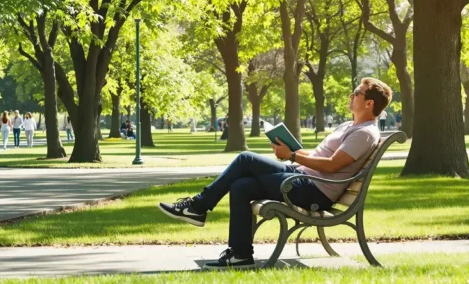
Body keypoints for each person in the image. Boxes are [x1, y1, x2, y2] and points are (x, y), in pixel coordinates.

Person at [158, 77, 391, 270]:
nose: (351, 96)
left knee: (245, 158)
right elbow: (321, 155)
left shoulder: (364, 133)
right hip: (302, 177)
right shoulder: (349, 126)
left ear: (369, 103)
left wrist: (291, 155)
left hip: (314, 190)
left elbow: (331, 165)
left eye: (356, 93)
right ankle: (240, 255)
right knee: (241, 186)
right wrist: (293, 149)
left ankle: (198, 206)